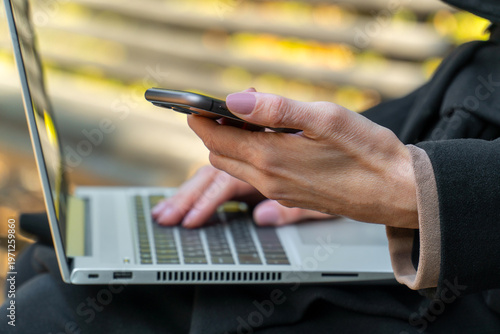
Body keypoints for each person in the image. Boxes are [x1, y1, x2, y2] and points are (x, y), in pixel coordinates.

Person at [2, 0, 500, 333]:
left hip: (471, 273)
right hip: (449, 170)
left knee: (51, 307)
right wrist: (336, 163)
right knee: (40, 268)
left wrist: (417, 189)